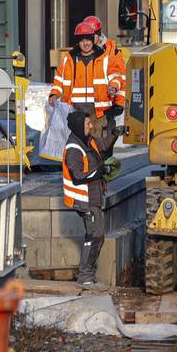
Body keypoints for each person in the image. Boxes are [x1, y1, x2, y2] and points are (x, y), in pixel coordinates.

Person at [62, 111, 121, 289]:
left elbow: (102, 145)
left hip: (94, 197)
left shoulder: (88, 141)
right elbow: (78, 176)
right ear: (79, 126)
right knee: (93, 236)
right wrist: (101, 171)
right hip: (84, 200)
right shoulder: (73, 149)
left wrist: (114, 134)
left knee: (98, 236)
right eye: (88, 124)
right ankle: (85, 277)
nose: (91, 126)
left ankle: (89, 275)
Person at [49, 19, 126, 138]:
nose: (85, 43)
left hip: (98, 112)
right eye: (82, 40)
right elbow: (59, 79)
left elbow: (116, 75)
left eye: (88, 39)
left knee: (98, 146)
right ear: (77, 42)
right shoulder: (69, 59)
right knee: (77, 144)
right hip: (75, 112)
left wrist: (114, 87)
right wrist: (54, 94)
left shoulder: (104, 57)